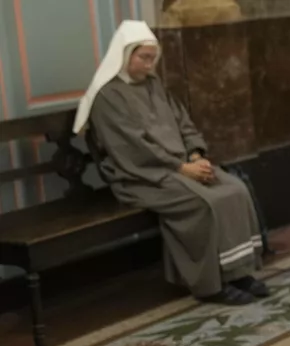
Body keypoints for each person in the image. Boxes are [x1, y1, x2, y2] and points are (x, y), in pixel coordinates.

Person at [74, 20, 267, 306]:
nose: (150, 65)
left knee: (236, 189)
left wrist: (195, 155)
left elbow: (183, 122)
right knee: (206, 204)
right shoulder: (108, 96)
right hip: (141, 177)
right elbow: (133, 146)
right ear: (125, 55)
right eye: (144, 58)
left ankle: (238, 272)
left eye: (153, 58)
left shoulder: (154, 85)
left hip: (179, 166)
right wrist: (180, 168)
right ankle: (210, 284)